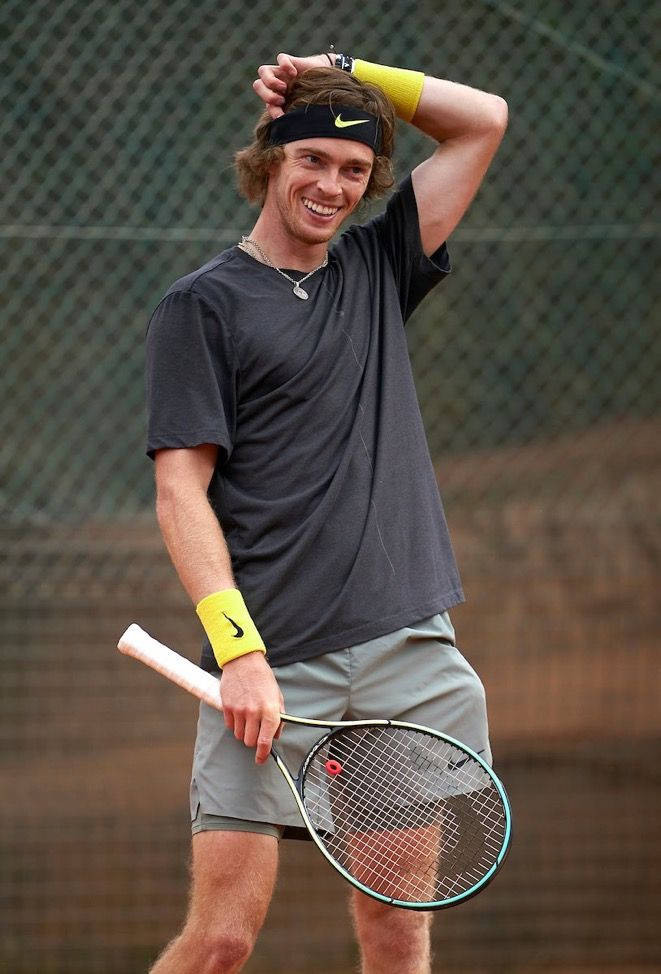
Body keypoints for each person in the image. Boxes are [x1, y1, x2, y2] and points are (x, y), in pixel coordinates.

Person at [145, 48, 507, 974]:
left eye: (354, 171)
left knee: (398, 932)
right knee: (222, 943)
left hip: (403, 653)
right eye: (312, 159)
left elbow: (483, 118)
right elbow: (181, 489)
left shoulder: (383, 268)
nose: (332, 186)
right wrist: (239, 652)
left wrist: (348, 72)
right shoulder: (201, 306)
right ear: (270, 159)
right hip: (268, 662)